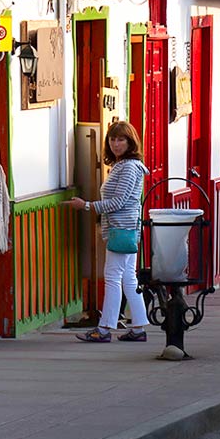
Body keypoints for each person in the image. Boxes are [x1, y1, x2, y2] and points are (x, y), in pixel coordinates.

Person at [69, 121, 151, 342]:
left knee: (113, 278)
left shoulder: (128, 167)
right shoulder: (126, 166)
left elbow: (119, 201)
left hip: (121, 228)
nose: (116, 144)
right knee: (128, 279)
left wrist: (87, 205)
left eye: (121, 139)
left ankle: (104, 329)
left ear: (130, 142)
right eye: (112, 139)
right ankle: (139, 328)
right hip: (127, 228)